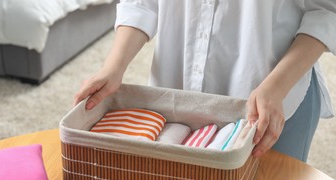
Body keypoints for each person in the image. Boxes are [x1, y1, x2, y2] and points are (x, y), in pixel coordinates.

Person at [74, 0, 336, 162]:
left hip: (274, 101)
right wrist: (114, 67)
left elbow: (327, 10)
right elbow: (142, 3)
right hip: (176, 100)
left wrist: (276, 86)